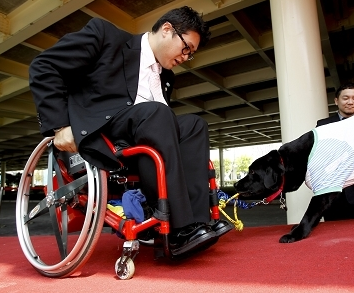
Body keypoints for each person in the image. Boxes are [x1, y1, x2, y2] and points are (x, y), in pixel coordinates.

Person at [28, 6, 232, 256]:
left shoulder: (166, 76)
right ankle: (177, 229)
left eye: (191, 54)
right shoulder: (105, 36)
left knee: (194, 125)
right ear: (167, 30)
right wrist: (59, 126)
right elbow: (44, 66)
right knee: (157, 112)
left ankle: (197, 222)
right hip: (104, 134)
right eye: (186, 48)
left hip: (146, 136)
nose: (185, 57)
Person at [316, 82, 354, 220]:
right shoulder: (323, 125)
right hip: (335, 196)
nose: (350, 102)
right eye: (345, 98)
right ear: (336, 101)